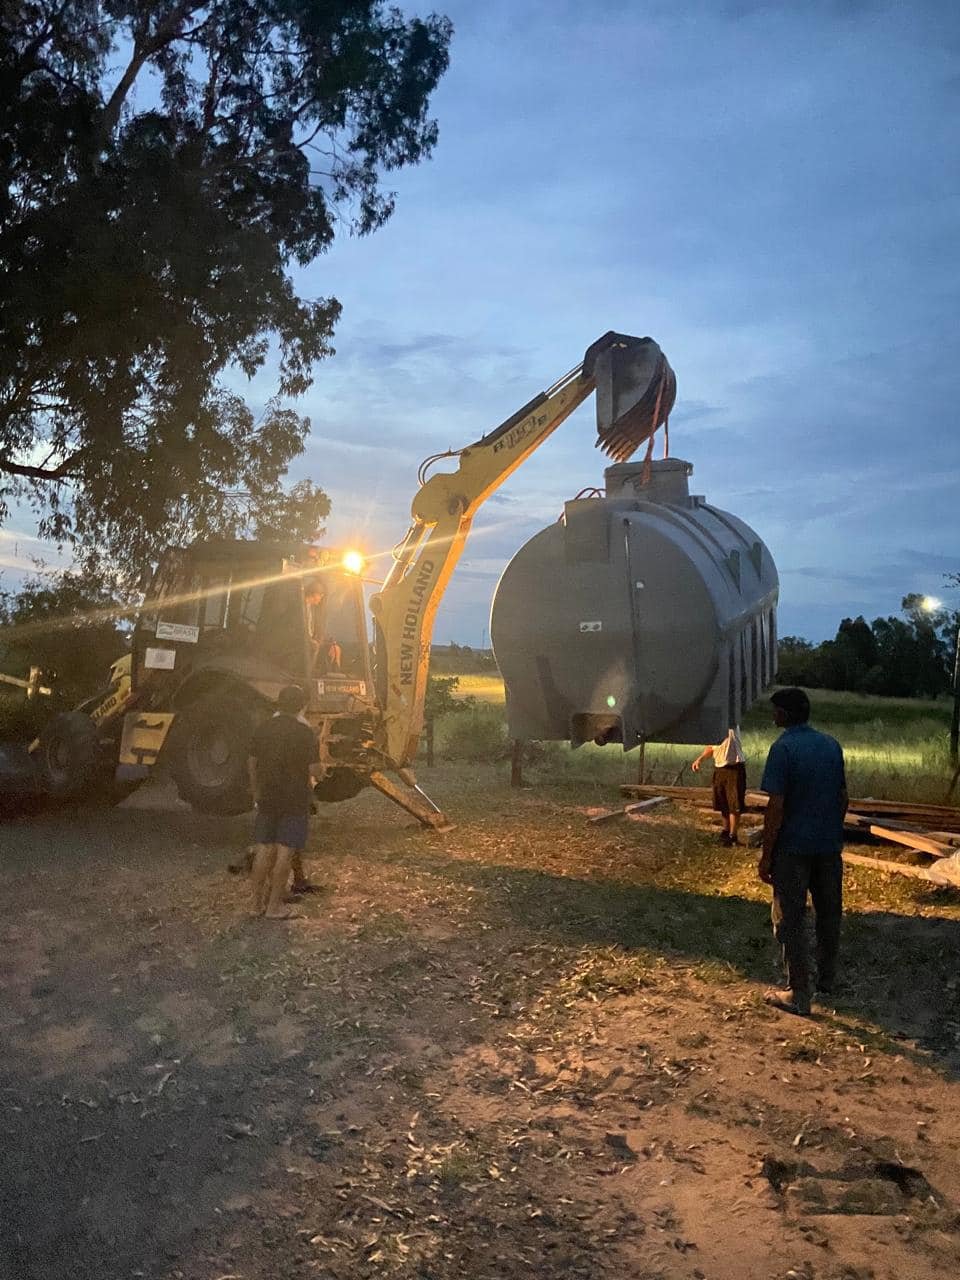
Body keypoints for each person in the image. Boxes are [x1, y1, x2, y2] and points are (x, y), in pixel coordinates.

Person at [758, 687, 847, 1017]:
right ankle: (827, 979)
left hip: (793, 849)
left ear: (783, 714)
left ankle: (798, 992)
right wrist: (831, 829)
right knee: (829, 914)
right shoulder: (831, 745)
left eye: (775, 710)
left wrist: (767, 854)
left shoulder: (783, 749)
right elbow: (842, 798)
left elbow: (776, 806)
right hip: (828, 847)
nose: (773, 715)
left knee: (790, 918)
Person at [247, 684, 323, 918]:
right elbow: (315, 770)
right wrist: (322, 774)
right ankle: (274, 907)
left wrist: (255, 790)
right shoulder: (305, 732)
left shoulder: (263, 728)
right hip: (294, 797)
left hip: (267, 795)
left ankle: (255, 905)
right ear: (301, 706)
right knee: (285, 853)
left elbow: (252, 762)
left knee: (263, 849)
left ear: (279, 703)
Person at [691, 727, 746, 845]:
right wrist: (700, 759)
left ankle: (733, 835)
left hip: (734, 768)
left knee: (734, 803)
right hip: (720, 768)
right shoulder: (715, 729)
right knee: (722, 801)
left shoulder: (732, 727)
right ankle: (725, 831)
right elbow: (711, 748)